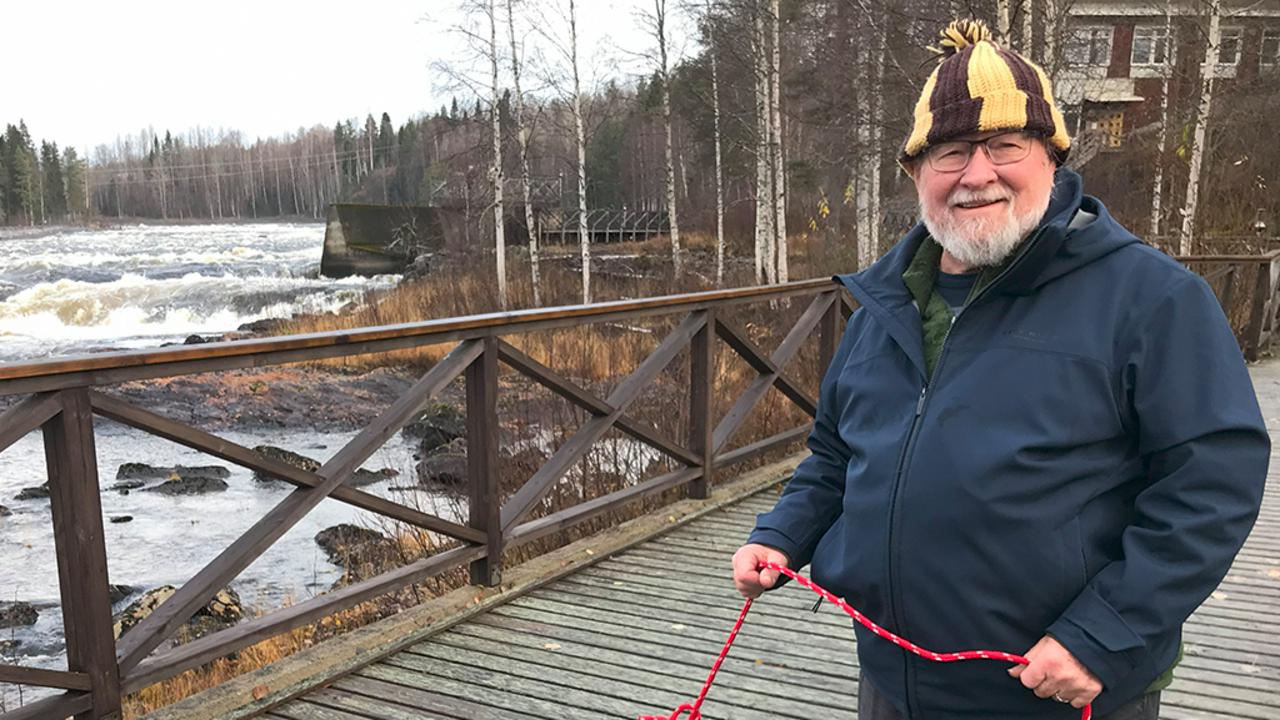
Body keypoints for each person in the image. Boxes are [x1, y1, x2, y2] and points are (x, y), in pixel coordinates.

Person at [731, 19, 1269, 720]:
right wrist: (782, 533)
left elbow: (1211, 489)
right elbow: (837, 454)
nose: (976, 174)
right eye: (950, 152)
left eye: (1005, 147)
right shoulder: (885, 303)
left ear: (1052, 158)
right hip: (894, 679)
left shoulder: (1154, 298)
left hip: (1061, 687)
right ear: (917, 175)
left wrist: (1100, 637)